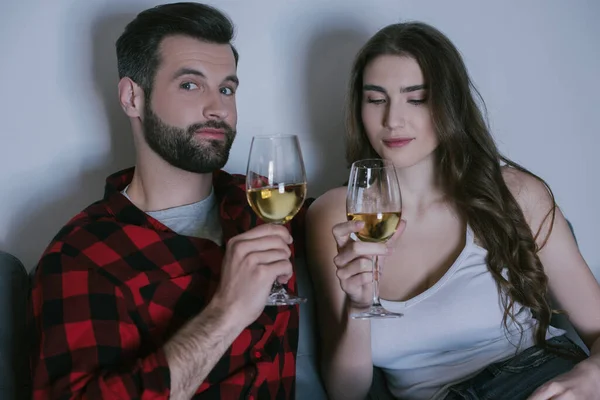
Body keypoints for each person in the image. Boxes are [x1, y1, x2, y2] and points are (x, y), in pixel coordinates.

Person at [306, 22, 600, 400]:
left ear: (449, 103)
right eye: (376, 99)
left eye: (417, 98)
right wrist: (358, 309)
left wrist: (591, 377)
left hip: (538, 380)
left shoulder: (515, 193)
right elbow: (345, 392)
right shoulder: (336, 214)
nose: (393, 119)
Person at [29, 3, 307, 399]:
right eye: (191, 85)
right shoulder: (81, 257)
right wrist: (225, 313)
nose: (219, 108)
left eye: (227, 88)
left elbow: (363, 212)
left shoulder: (260, 203)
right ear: (132, 98)